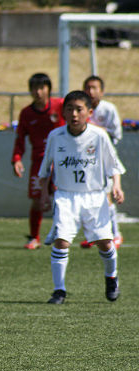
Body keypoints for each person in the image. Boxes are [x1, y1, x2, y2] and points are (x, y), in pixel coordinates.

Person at [38, 90, 125, 305]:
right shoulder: (55, 136)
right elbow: (44, 170)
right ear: (63, 112)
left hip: (95, 196)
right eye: (70, 109)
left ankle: (111, 278)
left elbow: (113, 165)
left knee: (105, 243)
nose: (74, 114)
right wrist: (43, 196)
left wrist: (117, 186)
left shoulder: (99, 135)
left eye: (79, 109)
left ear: (89, 112)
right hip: (66, 196)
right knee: (61, 241)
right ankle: (59, 290)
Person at [11, 73, 65, 249]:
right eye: (34, 88)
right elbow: (20, 139)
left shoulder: (61, 106)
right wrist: (17, 159)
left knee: (62, 198)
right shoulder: (26, 113)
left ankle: (63, 234)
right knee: (37, 200)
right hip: (39, 162)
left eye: (42, 87)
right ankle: (34, 237)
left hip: (62, 160)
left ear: (49, 88)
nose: (38, 92)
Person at [80, 75, 123, 249]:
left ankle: (115, 234)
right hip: (86, 162)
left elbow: (116, 135)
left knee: (106, 198)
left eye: (94, 88)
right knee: (88, 200)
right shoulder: (81, 109)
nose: (90, 91)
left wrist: (94, 130)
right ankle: (94, 235)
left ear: (101, 91)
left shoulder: (109, 109)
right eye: (87, 88)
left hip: (104, 160)